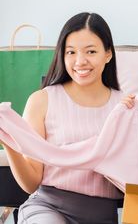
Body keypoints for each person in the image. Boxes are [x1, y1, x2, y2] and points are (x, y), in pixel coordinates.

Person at [1, 12, 123, 224]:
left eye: (91, 51)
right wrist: (8, 139)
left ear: (108, 54)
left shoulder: (125, 106)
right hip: (47, 209)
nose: (80, 61)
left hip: (103, 215)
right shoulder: (42, 100)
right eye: (71, 52)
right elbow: (31, 183)